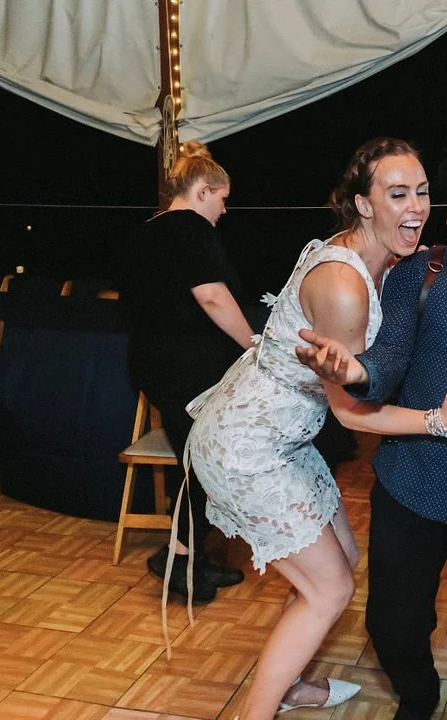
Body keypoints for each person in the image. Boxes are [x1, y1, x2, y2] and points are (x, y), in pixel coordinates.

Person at [182, 137, 447, 720]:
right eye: (397, 194)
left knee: (339, 559)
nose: (415, 207)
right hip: (249, 448)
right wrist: (439, 419)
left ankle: (290, 682)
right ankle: (257, 712)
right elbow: (351, 412)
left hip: (285, 438)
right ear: (363, 205)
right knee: (329, 589)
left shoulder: (378, 256)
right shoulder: (344, 285)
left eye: (423, 193)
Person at [296, 131, 447, 719]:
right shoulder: (421, 275)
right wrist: (358, 373)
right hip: (413, 479)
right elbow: (391, 361)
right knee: (394, 619)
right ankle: (419, 692)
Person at [117, 141, 252, 603]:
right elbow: (212, 297)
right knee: (203, 462)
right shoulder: (190, 229)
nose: (224, 209)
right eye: (222, 198)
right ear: (201, 191)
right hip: (185, 370)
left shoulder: (144, 231)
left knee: (194, 460)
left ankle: (187, 556)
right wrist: (253, 345)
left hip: (151, 366)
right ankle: (176, 558)